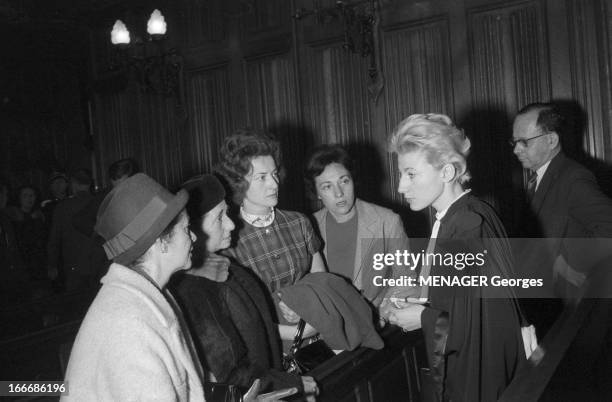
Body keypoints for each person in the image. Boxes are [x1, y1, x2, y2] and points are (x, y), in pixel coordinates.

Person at [384, 113, 525, 402]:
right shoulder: (465, 214)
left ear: (447, 173)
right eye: (401, 174)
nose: (401, 187)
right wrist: (422, 293)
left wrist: (421, 317)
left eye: (411, 174)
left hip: (478, 375)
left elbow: (482, 320)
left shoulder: (466, 227)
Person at [170, 174, 318, 399]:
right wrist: (293, 383)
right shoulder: (192, 291)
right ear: (193, 228)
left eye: (227, 213)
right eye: (220, 218)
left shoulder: (227, 267)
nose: (231, 224)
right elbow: (229, 376)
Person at [62, 173, 205, 400]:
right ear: (161, 243)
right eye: (187, 229)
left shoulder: (151, 292)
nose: (195, 238)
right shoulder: (129, 325)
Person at [216, 129, 326, 341]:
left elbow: (321, 280)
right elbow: (238, 316)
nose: (274, 184)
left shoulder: (298, 222)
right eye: (262, 177)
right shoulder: (228, 241)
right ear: (239, 182)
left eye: (274, 174)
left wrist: (312, 316)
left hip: (317, 333)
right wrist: (296, 333)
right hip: (269, 345)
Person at [305, 144, 411, 308]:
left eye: (344, 181)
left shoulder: (387, 221)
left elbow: (405, 279)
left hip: (376, 324)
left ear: (353, 180)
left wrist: (384, 313)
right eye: (327, 186)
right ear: (317, 193)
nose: (339, 193)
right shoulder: (306, 227)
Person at [47, 169, 97, 291]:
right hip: (98, 264)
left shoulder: (63, 207)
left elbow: (54, 239)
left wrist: (52, 265)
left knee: (76, 305)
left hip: (73, 265)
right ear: (90, 184)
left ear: (73, 184)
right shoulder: (100, 203)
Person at [6, 185, 47, 280]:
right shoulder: (13, 218)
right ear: (19, 198)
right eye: (25, 196)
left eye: (32, 195)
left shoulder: (40, 216)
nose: (29, 198)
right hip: (22, 263)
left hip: (39, 263)